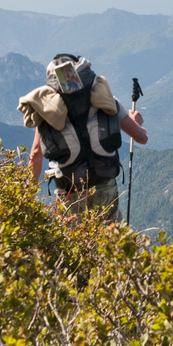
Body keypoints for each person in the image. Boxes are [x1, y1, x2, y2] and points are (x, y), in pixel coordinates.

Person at [19, 54, 147, 222]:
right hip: (104, 186)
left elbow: (36, 153)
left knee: (72, 243)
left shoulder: (47, 113)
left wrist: (25, 197)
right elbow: (141, 138)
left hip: (69, 192)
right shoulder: (107, 100)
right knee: (110, 242)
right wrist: (134, 121)